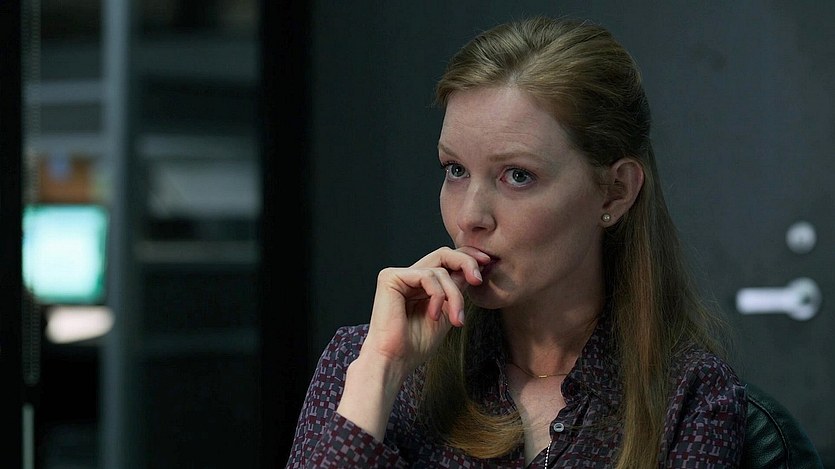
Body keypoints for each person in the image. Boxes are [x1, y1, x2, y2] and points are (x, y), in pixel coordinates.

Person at [286, 15, 747, 468]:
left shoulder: (689, 395)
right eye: (455, 170)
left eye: (518, 176)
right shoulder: (361, 362)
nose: (470, 216)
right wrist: (381, 370)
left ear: (615, 191)